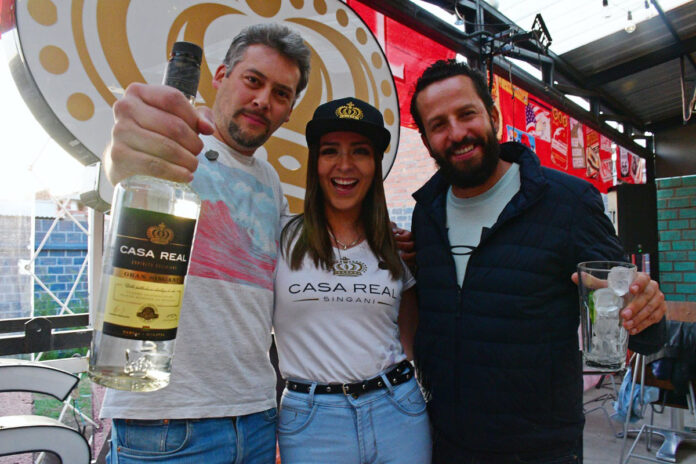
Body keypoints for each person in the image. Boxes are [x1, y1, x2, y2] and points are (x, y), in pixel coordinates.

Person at [408, 59, 667, 463]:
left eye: (467, 114)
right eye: (438, 125)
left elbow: (636, 318)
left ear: (493, 116)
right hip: (446, 444)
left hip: (540, 450)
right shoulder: (425, 214)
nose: (456, 133)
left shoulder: (568, 203)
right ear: (426, 141)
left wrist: (647, 308)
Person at [100, 23, 311, 463]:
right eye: (253, 80)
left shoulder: (270, 180)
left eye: (280, 93)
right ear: (220, 76)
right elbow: (124, 166)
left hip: (256, 414)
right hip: (166, 421)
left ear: (289, 110)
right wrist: (127, 150)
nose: (263, 100)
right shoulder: (172, 146)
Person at [272, 97, 431, 463]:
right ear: (315, 162)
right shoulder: (281, 237)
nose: (345, 165)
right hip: (311, 422)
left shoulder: (395, 246)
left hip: (398, 412)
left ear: (375, 165)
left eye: (360, 151)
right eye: (330, 151)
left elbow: (413, 342)